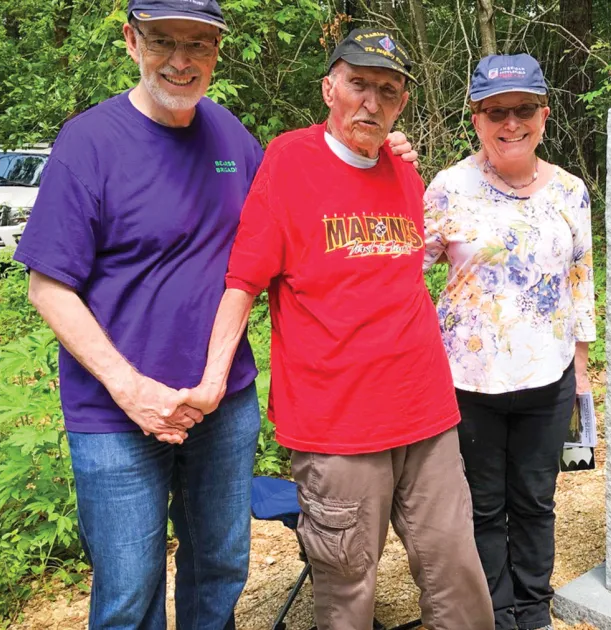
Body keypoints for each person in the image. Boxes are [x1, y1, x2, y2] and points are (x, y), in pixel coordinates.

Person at [14, 2, 416, 627]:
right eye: (164, 41)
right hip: (115, 413)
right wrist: (131, 388)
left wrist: (379, 152)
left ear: (216, 53)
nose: (181, 60)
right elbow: (48, 287)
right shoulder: (88, 143)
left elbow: (303, 213)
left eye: (198, 44)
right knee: (127, 591)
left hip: (223, 403)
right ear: (131, 40)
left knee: (221, 570)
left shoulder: (233, 138)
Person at [184, 27, 494, 630]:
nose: (372, 102)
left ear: (403, 102)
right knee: (348, 589)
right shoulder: (288, 162)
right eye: (358, 84)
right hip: (338, 426)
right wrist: (210, 381)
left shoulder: (403, 172)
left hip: (427, 411)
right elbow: (243, 282)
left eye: (388, 90)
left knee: (457, 569)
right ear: (330, 87)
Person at [422, 53, 597, 630]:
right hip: (469, 382)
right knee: (483, 505)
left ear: (544, 116)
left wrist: (581, 370)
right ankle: (495, 611)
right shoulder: (449, 187)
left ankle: (532, 608)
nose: (511, 122)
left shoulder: (570, 191)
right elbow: (406, 272)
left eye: (523, 108)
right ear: (476, 119)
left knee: (536, 500)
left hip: (547, 379)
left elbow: (580, 280)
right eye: (496, 111)